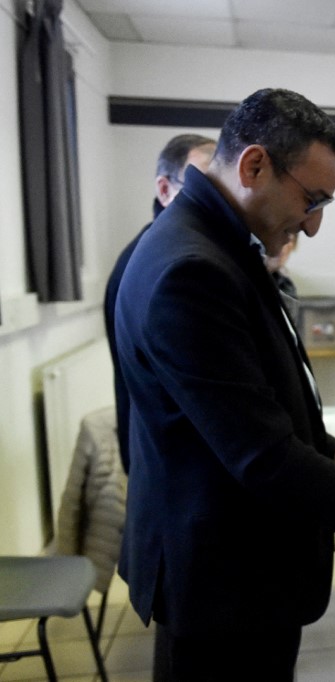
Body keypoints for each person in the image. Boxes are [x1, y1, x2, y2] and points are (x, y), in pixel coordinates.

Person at [115, 88, 335, 681]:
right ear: (255, 165)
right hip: (224, 581)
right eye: (312, 198)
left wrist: (327, 449)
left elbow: (251, 396)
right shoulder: (192, 270)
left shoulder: (217, 244)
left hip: (232, 570)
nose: (314, 222)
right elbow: (261, 457)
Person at [104, 133, 217, 474]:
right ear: (165, 189)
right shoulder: (168, 264)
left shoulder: (174, 250)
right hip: (170, 463)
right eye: (201, 185)